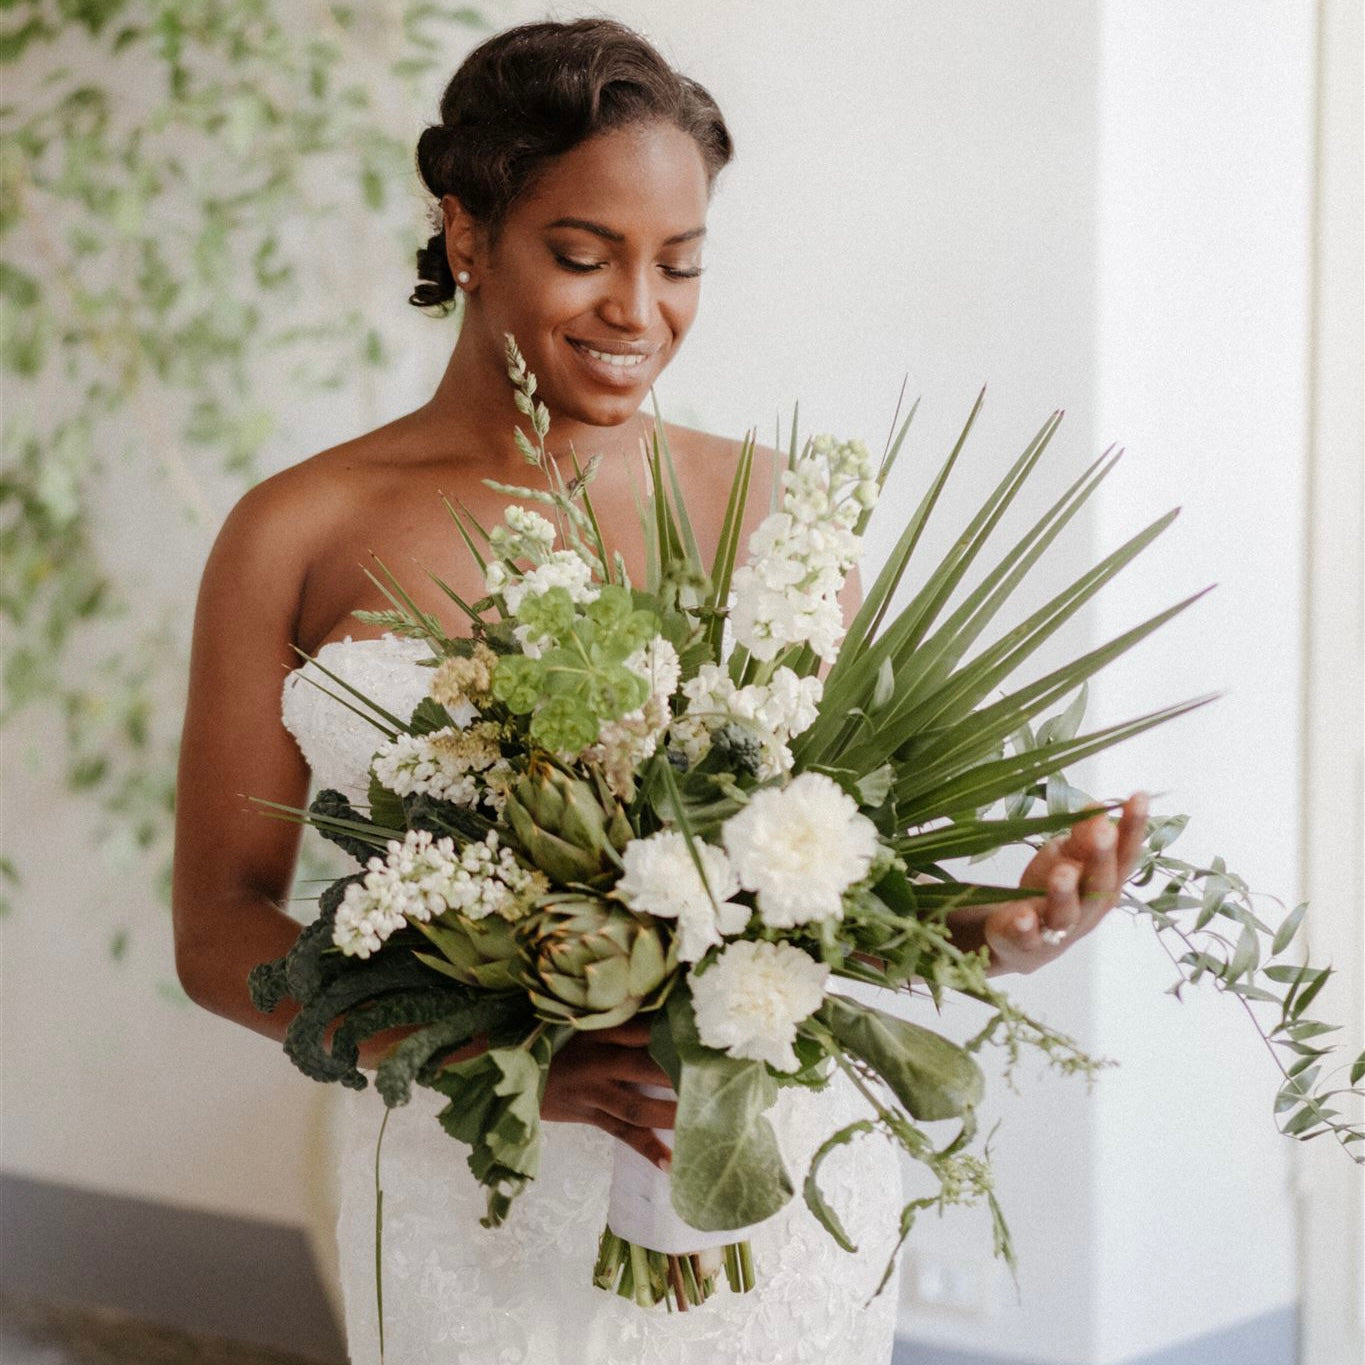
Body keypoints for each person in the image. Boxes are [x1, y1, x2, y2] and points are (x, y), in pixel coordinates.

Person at [172, 19, 1147, 1364]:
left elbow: (824, 894)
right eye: (583, 256)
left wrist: (1003, 927)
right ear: (467, 233)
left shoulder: (769, 512)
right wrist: (489, 1058)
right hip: (477, 1183)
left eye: (679, 263)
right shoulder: (296, 529)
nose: (639, 310)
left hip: (763, 1171)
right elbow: (218, 928)